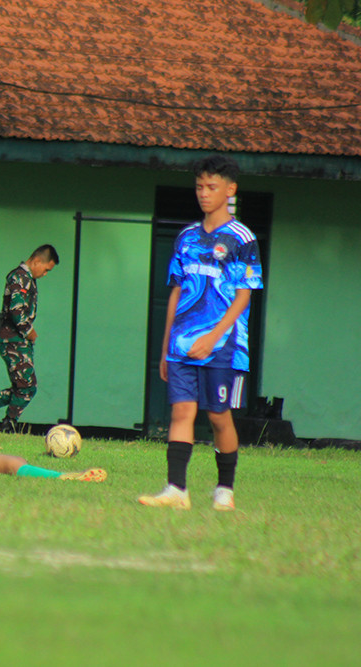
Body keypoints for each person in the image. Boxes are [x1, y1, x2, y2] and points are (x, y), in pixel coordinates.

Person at [138, 155, 263, 511]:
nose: (204, 194)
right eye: (199, 187)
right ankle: (176, 490)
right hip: (181, 345)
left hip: (223, 346)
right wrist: (165, 348)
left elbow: (243, 296)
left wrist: (213, 336)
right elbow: (176, 291)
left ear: (230, 190)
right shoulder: (186, 237)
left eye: (211, 187)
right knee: (181, 413)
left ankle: (225, 488)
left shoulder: (242, 238)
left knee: (218, 415)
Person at [0, 245, 60, 434]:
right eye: (46, 269)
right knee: (27, 386)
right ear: (37, 261)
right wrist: (29, 331)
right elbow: (16, 311)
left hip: (17, 339)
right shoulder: (19, 277)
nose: (45, 274)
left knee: (22, 386)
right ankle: (8, 423)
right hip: (12, 339)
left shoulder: (27, 278)